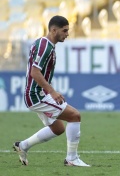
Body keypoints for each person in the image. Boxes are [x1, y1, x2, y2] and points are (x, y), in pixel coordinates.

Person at [13, 15, 90, 167]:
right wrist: (52, 92)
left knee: (58, 128)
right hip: (36, 96)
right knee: (75, 116)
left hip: (36, 95)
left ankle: (22, 146)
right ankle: (71, 159)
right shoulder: (44, 45)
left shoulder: (45, 44)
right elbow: (35, 72)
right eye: (65, 30)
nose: (67, 34)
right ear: (54, 30)